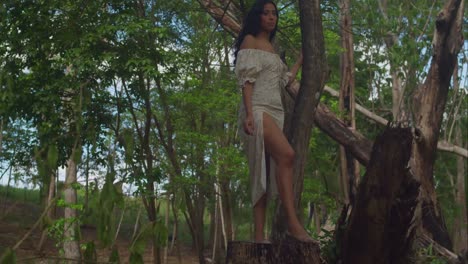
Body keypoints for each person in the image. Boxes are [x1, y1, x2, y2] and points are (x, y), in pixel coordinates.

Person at [234, 0, 313, 243]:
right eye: (266, 13)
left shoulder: (271, 47)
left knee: (264, 176)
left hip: (276, 112)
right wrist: (249, 113)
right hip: (257, 110)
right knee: (287, 156)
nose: (271, 17)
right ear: (257, 17)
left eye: (274, 13)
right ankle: (293, 223)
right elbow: (247, 81)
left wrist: (300, 60)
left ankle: (259, 238)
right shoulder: (250, 41)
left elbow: (283, 81)